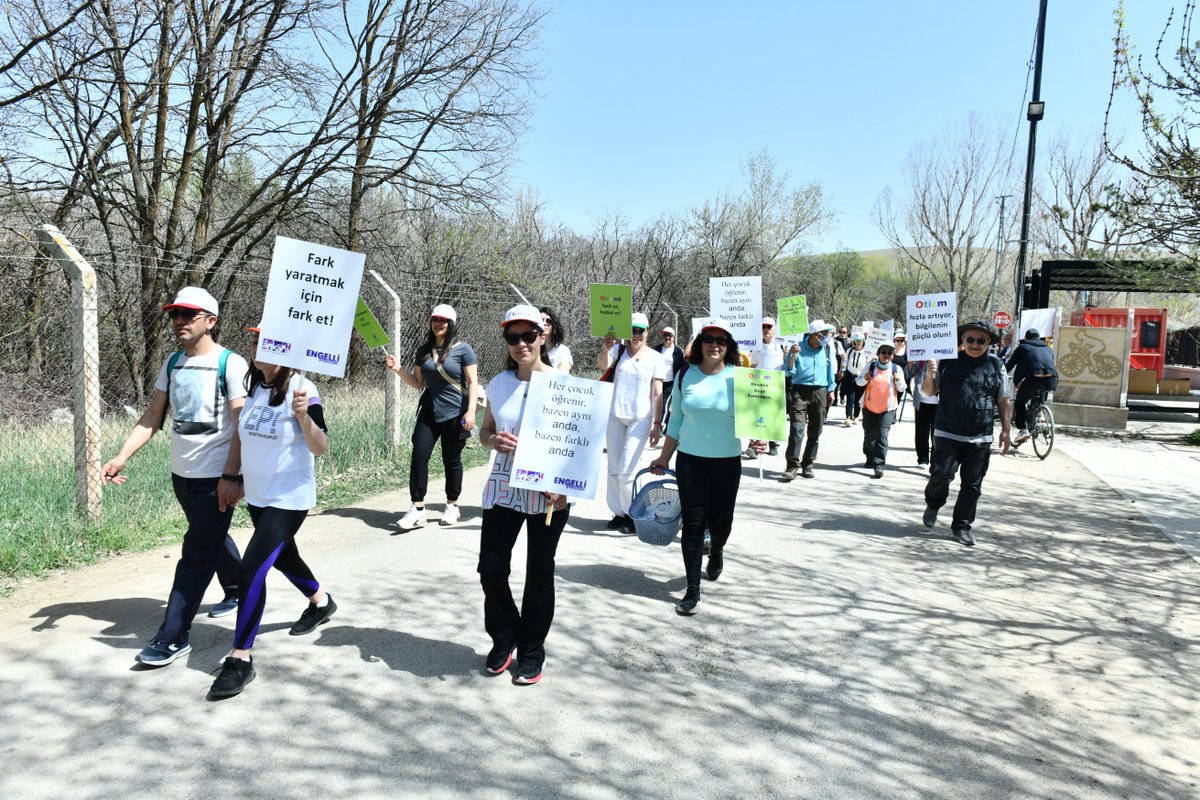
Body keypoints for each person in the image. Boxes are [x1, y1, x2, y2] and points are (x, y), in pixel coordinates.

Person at [101, 287, 248, 667]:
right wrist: (120, 456)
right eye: (175, 314)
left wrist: (232, 476)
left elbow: (240, 425)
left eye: (189, 314)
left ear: (210, 321)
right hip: (182, 475)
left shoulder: (231, 365)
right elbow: (153, 417)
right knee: (209, 535)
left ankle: (173, 636)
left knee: (195, 553)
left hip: (216, 476)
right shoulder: (172, 363)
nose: (180, 321)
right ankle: (235, 587)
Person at [208, 343, 333, 698]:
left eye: (269, 343)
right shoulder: (255, 388)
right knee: (283, 558)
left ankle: (240, 656)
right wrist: (234, 479)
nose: (257, 349)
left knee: (251, 569)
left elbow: (320, 446)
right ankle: (321, 601)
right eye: (255, 342)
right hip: (259, 497)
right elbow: (246, 440)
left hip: (288, 500)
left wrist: (303, 417)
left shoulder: (303, 388)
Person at [476, 305, 570, 685]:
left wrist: (562, 488)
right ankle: (504, 637)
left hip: (549, 495)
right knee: (491, 568)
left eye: (527, 336)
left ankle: (532, 650)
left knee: (539, 573)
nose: (520, 344)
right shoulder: (498, 384)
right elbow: (485, 432)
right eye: (512, 337)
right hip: (503, 488)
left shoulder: (563, 385)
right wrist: (492, 440)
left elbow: (576, 447)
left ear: (542, 336)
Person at [648, 318, 764, 615]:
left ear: (729, 347)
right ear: (699, 343)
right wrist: (664, 456)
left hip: (726, 462)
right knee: (694, 524)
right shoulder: (686, 375)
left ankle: (718, 549)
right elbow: (676, 420)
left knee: (722, 523)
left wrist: (760, 439)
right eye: (709, 339)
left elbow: (759, 417)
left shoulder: (741, 377)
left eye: (721, 341)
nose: (715, 345)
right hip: (691, 461)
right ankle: (692, 589)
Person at [385, 304, 478, 529]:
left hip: (456, 412)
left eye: (444, 321)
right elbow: (418, 384)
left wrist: (471, 411)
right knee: (419, 454)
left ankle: (452, 505)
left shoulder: (463, 349)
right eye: (435, 319)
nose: (438, 324)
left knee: (451, 458)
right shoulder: (423, 350)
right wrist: (397, 369)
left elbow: (473, 382)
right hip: (429, 410)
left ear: (451, 324)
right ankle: (417, 508)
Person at [921, 320, 1012, 547]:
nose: (974, 344)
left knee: (972, 485)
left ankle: (961, 526)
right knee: (940, 475)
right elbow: (929, 392)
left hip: (980, 435)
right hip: (947, 431)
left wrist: (1007, 430)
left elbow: (1003, 399)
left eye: (981, 340)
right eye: (970, 339)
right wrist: (930, 373)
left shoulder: (996, 365)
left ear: (989, 342)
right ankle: (933, 503)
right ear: (962, 340)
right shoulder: (946, 361)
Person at [597, 312, 667, 532]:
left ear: (647, 332)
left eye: (640, 330)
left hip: (640, 417)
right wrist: (604, 349)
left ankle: (633, 513)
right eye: (632, 330)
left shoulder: (656, 357)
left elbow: (657, 393)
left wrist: (657, 423)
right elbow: (602, 366)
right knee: (614, 468)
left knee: (628, 470)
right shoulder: (618, 351)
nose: (636, 335)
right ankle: (618, 512)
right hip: (614, 415)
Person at [781, 320, 836, 481]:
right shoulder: (797, 347)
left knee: (815, 429)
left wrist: (831, 389)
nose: (826, 336)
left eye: (827, 334)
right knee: (797, 428)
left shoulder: (825, 349)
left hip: (820, 391)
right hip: (800, 390)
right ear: (814, 335)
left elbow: (829, 370)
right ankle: (792, 465)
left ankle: (808, 463)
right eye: (823, 334)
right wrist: (792, 355)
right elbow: (788, 372)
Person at [857, 342, 907, 479]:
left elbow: (902, 388)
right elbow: (858, 381)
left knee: (882, 436)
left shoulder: (897, 369)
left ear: (893, 355)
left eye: (889, 353)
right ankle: (869, 456)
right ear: (878, 353)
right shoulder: (871, 366)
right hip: (869, 407)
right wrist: (865, 379)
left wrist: (899, 382)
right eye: (883, 352)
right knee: (869, 435)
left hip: (888, 408)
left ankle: (879, 465)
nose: (886, 355)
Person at [1006, 328, 1058, 443]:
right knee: (1040, 395)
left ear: (1026, 337)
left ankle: (1023, 431)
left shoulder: (1023, 347)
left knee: (1019, 402)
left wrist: (1002, 374)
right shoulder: (1048, 348)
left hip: (1034, 379)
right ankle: (1040, 416)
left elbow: (1011, 365)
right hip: (1052, 379)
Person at [748, 316, 787, 457]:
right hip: (760, 386)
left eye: (769, 327)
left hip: (776, 385)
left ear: (774, 329)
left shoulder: (782, 345)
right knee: (758, 415)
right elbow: (753, 365)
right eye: (763, 327)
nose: (766, 330)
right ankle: (754, 444)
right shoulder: (756, 347)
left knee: (774, 415)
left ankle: (773, 444)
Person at [909, 358, 939, 466]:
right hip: (922, 400)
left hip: (940, 402)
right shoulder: (921, 358)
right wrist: (911, 360)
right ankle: (923, 459)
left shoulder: (946, 358)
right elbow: (909, 373)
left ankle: (936, 461)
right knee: (921, 431)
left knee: (937, 433)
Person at [656, 326, 686, 430]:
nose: (667, 338)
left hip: (671, 382)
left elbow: (682, 366)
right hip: (657, 381)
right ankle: (667, 424)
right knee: (656, 404)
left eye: (669, 335)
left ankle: (660, 427)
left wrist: (680, 382)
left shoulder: (678, 351)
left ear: (673, 337)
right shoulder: (657, 349)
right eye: (665, 335)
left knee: (665, 404)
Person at [840, 332, 869, 427]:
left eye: (860, 341)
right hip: (850, 376)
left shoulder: (867, 353)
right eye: (856, 341)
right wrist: (842, 369)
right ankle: (848, 417)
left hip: (861, 377)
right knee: (850, 397)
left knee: (858, 398)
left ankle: (856, 416)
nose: (858, 342)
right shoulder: (850, 350)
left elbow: (868, 366)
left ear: (863, 341)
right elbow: (845, 361)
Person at [540, 306, 573, 373]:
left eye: (548, 321)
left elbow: (562, 376)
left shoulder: (562, 350)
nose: (544, 323)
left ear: (554, 325)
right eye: (541, 320)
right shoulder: (531, 348)